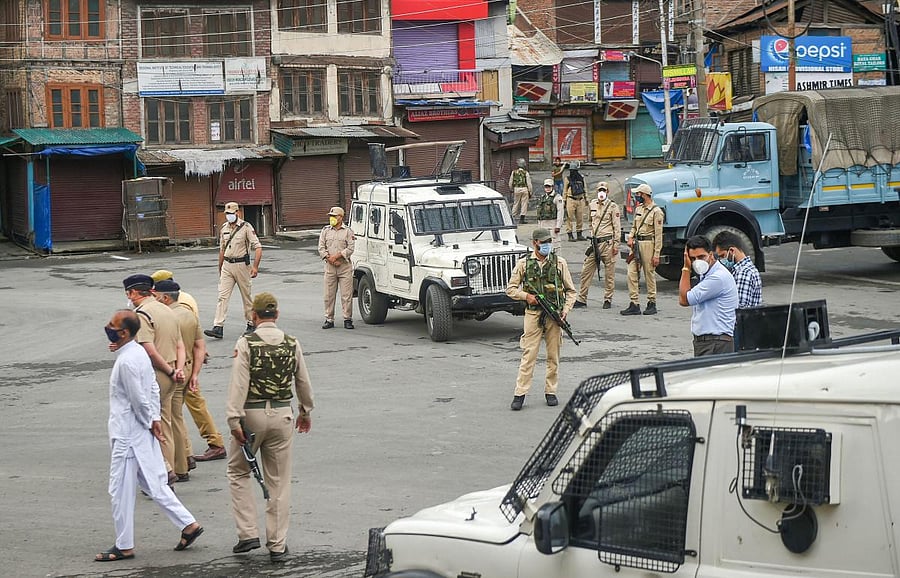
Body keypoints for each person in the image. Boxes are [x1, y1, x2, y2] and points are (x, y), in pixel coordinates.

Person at [95, 309, 203, 562]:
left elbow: (137, 399)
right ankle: (188, 525)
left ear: (123, 333)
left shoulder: (127, 361)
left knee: (119, 490)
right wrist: (153, 419)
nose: (107, 327)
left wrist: (151, 420)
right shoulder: (138, 353)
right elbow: (152, 390)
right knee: (154, 483)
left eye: (112, 325)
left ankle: (124, 545)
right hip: (141, 431)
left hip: (128, 435)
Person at [226, 293, 314, 562]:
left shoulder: (247, 343)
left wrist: (233, 418)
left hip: (251, 415)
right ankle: (277, 543)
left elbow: (239, 384)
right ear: (276, 314)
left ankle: (247, 533)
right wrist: (305, 411)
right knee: (279, 482)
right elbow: (303, 382)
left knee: (238, 472)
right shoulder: (291, 342)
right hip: (282, 414)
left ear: (254, 315)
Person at [151, 270, 226, 463]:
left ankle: (208, 445)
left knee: (179, 411)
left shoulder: (175, 307)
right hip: (190, 360)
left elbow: (184, 334)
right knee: (184, 409)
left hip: (181, 363)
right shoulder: (184, 298)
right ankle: (189, 453)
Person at [505, 228, 577, 411]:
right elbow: (510, 289)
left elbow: (571, 291)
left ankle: (550, 391)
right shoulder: (524, 264)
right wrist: (525, 296)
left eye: (548, 242)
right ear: (534, 243)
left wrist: (565, 311)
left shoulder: (559, 263)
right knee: (529, 354)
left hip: (554, 316)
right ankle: (520, 393)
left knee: (553, 355)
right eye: (543, 242)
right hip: (533, 314)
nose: (546, 245)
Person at [124, 274, 185, 485]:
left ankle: (163, 472)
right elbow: (180, 344)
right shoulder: (166, 309)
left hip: (155, 374)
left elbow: (149, 349)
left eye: (128, 294)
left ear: (133, 293)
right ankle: (168, 472)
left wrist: (168, 371)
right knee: (164, 424)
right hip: (172, 371)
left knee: (149, 424)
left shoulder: (142, 314)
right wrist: (177, 370)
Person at [204, 202, 263, 340]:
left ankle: (251, 323)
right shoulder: (224, 228)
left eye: (231, 213)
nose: (229, 216)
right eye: (227, 214)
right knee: (222, 296)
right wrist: (220, 267)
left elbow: (258, 247)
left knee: (246, 296)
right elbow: (222, 250)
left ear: (237, 213)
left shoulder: (246, 227)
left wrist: (255, 266)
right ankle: (218, 326)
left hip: (242, 265)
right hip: (227, 266)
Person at [679, 235, 739, 356]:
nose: (697, 262)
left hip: (715, 343)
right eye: (693, 258)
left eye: (701, 257)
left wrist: (686, 268)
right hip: (709, 342)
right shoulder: (707, 274)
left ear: (711, 255)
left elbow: (684, 299)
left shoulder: (717, 278)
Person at [574, 182, 621, 310]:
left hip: (607, 243)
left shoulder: (613, 207)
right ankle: (582, 298)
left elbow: (617, 227)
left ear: (607, 192)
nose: (601, 192)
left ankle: (608, 299)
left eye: (604, 190)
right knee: (586, 271)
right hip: (595, 243)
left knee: (609, 274)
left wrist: (616, 244)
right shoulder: (593, 204)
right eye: (600, 190)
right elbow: (591, 221)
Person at [621, 183, 664, 316]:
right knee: (631, 273)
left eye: (639, 194)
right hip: (636, 244)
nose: (637, 196)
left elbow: (658, 235)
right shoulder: (638, 209)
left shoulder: (657, 212)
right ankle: (634, 303)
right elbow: (634, 226)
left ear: (645, 195)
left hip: (648, 244)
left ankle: (652, 302)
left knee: (649, 273)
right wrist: (631, 237)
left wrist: (656, 254)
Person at [318, 206, 356, 330]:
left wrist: (338, 256)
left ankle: (347, 319)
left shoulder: (348, 231)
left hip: (344, 267)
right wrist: (331, 259)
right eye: (330, 216)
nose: (332, 218)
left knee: (346, 295)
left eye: (334, 216)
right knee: (328, 295)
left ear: (341, 217)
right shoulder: (325, 230)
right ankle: (329, 319)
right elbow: (321, 248)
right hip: (330, 267)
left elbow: (350, 248)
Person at [713, 231, 763, 308]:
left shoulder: (743, 273)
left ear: (732, 251)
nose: (721, 260)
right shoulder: (744, 269)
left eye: (722, 256)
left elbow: (739, 308)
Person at [536, 178, 564, 251]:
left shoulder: (557, 197)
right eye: (546, 187)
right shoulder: (543, 198)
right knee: (543, 245)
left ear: (553, 187)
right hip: (543, 224)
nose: (547, 188)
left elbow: (560, 212)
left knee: (555, 245)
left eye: (549, 186)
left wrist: (558, 226)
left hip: (552, 224)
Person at [564, 164, 588, 241]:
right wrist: (564, 201)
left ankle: (579, 234)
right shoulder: (567, 179)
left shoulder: (581, 178)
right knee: (569, 218)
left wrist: (587, 199)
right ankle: (570, 235)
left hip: (580, 200)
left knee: (580, 218)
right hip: (570, 199)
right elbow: (564, 191)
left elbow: (585, 189)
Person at [508, 158, 533, 224]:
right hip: (524, 189)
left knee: (516, 203)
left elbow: (510, 182)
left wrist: (511, 189)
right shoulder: (526, 173)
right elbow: (529, 183)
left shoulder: (514, 172)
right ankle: (522, 219)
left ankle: (512, 217)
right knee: (524, 204)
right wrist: (530, 191)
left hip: (516, 189)